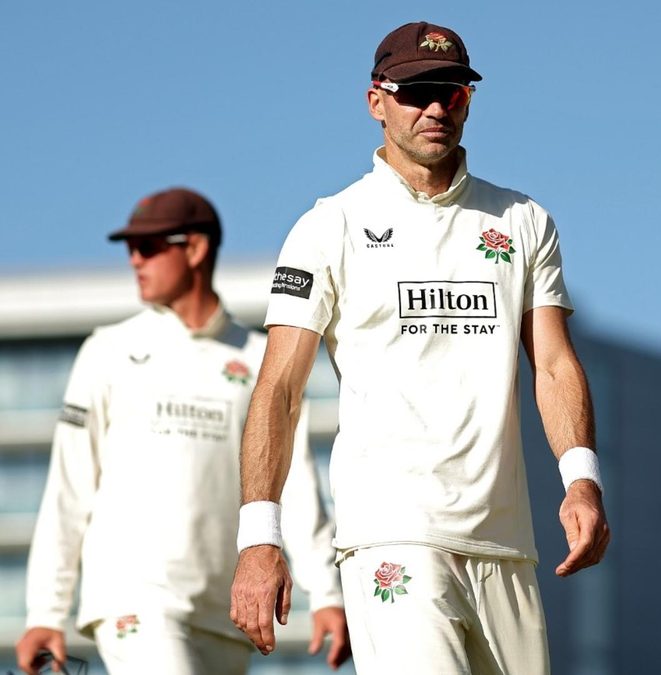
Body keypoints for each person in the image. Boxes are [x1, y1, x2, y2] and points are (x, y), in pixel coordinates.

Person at [228, 21, 610, 675]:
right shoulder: (330, 226)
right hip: (392, 535)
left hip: (507, 545)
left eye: (452, 92)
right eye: (416, 92)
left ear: (469, 100)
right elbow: (279, 389)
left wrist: (582, 481)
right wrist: (259, 540)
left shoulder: (522, 220)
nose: (436, 108)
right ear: (376, 101)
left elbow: (552, 362)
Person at [15, 188, 351, 675]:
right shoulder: (108, 351)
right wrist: (45, 612)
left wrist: (325, 592)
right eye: (131, 248)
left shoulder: (259, 355)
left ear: (194, 249)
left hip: (226, 613)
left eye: (149, 247)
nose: (134, 260)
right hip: (134, 602)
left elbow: (293, 481)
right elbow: (69, 489)